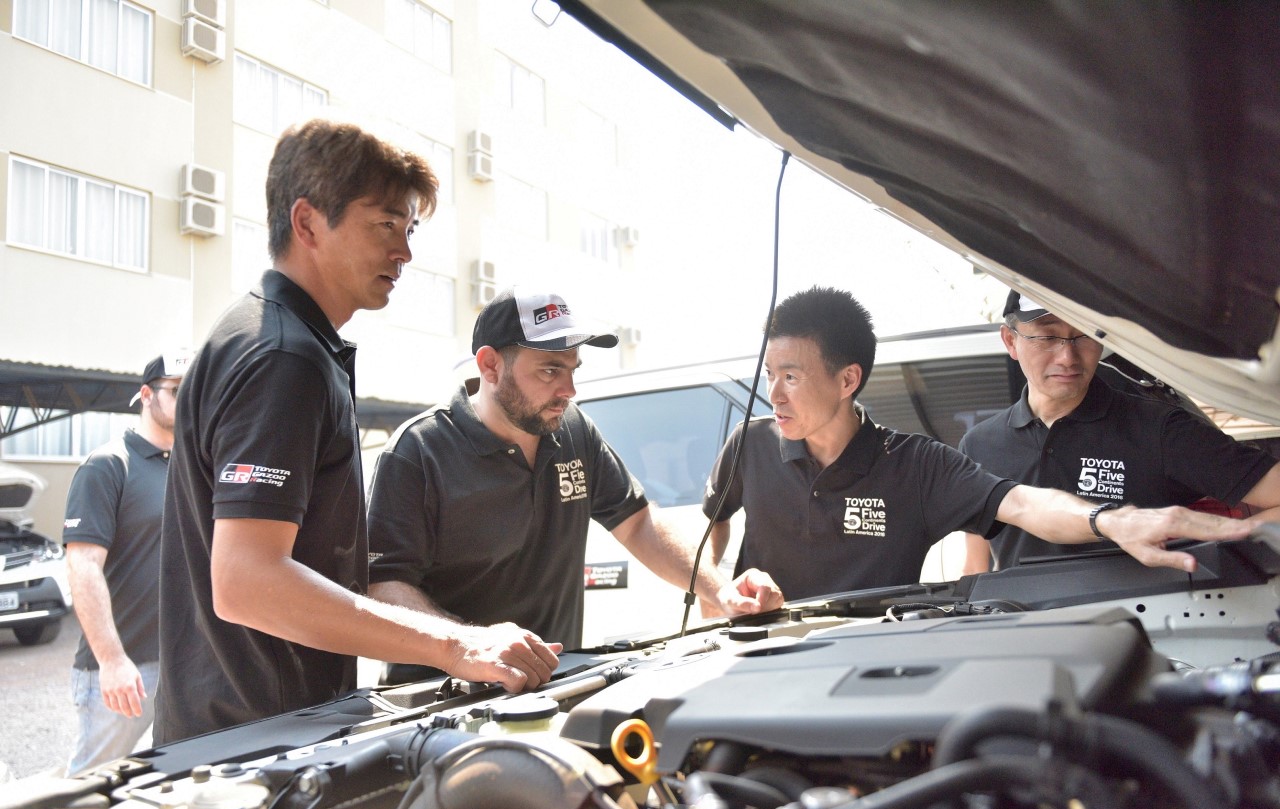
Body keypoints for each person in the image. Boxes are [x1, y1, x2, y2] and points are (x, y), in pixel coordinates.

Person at [155, 119, 560, 744]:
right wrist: (457, 645)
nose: (404, 252)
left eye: (409, 230)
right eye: (385, 225)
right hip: (255, 743)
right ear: (308, 223)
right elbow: (245, 582)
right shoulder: (282, 358)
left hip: (244, 729)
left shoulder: (268, 337)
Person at [702, 286, 1261, 600]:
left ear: (848, 380)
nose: (773, 393)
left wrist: (1112, 521)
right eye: (769, 374)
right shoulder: (748, 444)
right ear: (1011, 342)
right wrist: (719, 589)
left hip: (870, 670)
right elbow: (713, 529)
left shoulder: (918, 465)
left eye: (791, 376)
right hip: (755, 661)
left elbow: (1022, 503)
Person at [366, 286, 783, 671]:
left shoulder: (573, 430)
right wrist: (468, 644)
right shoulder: (418, 451)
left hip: (554, 681)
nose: (569, 390)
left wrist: (720, 591)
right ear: (490, 365)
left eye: (572, 369)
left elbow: (637, 523)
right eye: (550, 371)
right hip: (439, 700)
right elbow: (381, 586)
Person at [958, 290, 1280, 573]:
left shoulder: (1158, 428)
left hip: (1140, 619)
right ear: (1010, 340)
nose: (1068, 357)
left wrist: (1229, 541)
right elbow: (976, 566)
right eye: (1048, 337)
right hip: (1025, 621)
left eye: (1085, 334)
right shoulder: (979, 446)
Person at [62, 352, 189, 775]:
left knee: (170, 781)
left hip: (183, 666)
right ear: (146, 395)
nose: (189, 398)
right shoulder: (108, 465)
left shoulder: (193, 468)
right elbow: (83, 565)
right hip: (126, 670)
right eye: (177, 390)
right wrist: (112, 660)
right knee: (91, 786)